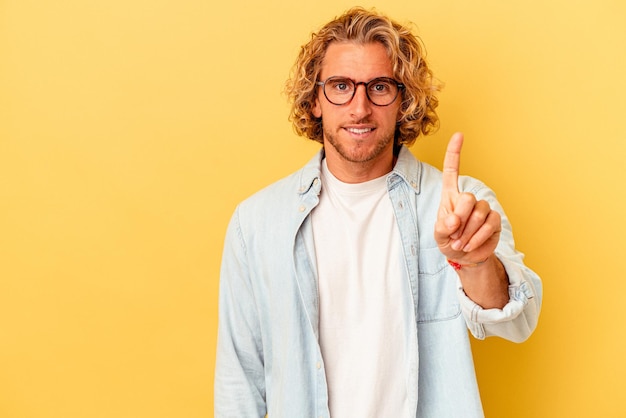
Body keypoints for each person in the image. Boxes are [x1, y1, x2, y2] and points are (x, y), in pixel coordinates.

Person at [215, 7, 542, 418]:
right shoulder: (257, 224)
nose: (359, 108)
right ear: (316, 99)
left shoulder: (462, 204)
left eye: (380, 87)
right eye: (340, 86)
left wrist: (476, 262)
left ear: (403, 99)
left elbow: (517, 322)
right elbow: (239, 381)